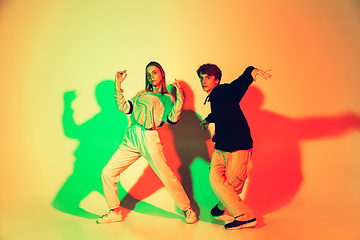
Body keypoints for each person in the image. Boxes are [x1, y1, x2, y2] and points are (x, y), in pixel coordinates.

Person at [96, 61, 197, 224]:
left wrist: (179, 99)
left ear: (162, 73)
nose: (151, 76)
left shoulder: (166, 98)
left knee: (166, 175)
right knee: (107, 172)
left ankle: (187, 209)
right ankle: (114, 211)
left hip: (149, 137)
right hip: (131, 136)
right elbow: (124, 108)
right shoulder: (141, 94)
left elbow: (172, 119)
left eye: (154, 72)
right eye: (148, 74)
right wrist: (118, 85)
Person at [197, 63, 271, 230]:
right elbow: (219, 112)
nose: (203, 81)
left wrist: (251, 72)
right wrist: (208, 119)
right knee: (215, 178)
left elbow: (239, 85)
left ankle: (246, 217)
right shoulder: (214, 97)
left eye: (208, 77)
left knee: (233, 184)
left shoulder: (223, 91)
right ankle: (225, 205)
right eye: (202, 78)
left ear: (216, 80)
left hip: (239, 146)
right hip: (221, 146)